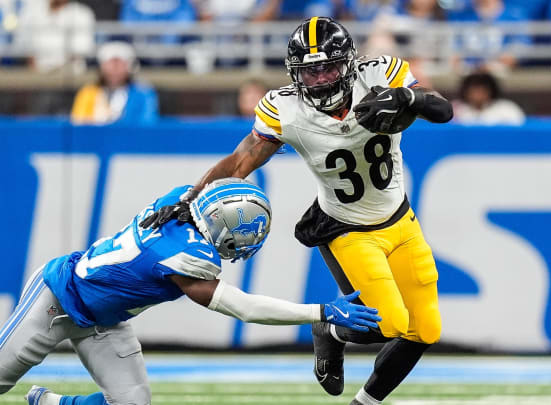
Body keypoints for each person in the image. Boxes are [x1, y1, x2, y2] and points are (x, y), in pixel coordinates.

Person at [142, 17, 453, 405]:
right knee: (388, 323)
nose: (321, 79)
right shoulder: (286, 108)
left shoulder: (379, 75)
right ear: (295, 74)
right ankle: (328, 330)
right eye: (310, 71)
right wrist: (189, 198)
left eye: (328, 67)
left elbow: (443, 110)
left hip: (400, 219)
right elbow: (240, 162)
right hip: (346, 227)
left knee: (425, 330)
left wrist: (410, 98)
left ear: (350, 63)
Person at [0, 178, 381, 405]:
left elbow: (213, 184)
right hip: (59, 299)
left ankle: (51, 403)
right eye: (243, 238)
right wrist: (321, 309)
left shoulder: (179, 201)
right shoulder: (189, 257)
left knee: (133, 404)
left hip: (105, 315)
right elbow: (242, 307)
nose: (242, 248)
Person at [70, 41, 159, 125]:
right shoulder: (88, 93)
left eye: (120, 64)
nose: (114, 69)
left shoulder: (143, 94)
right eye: (110, 63)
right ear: (102, 66)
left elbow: (147, 123)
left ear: (130, 67)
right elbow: (78, 123)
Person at [15, 0, 95, 73]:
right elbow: (22, 44)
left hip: (70, 76)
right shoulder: (30, 11)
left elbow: (82, 49)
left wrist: (56, 71)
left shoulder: (83, 13)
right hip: (34, 75)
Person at [452, 71, 525, 125]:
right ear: (466, 91)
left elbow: (518, 131)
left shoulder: (507, 109)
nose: (478, 94)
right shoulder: (455, 109)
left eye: (482, 90)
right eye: (474, 90)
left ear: (491, 91)